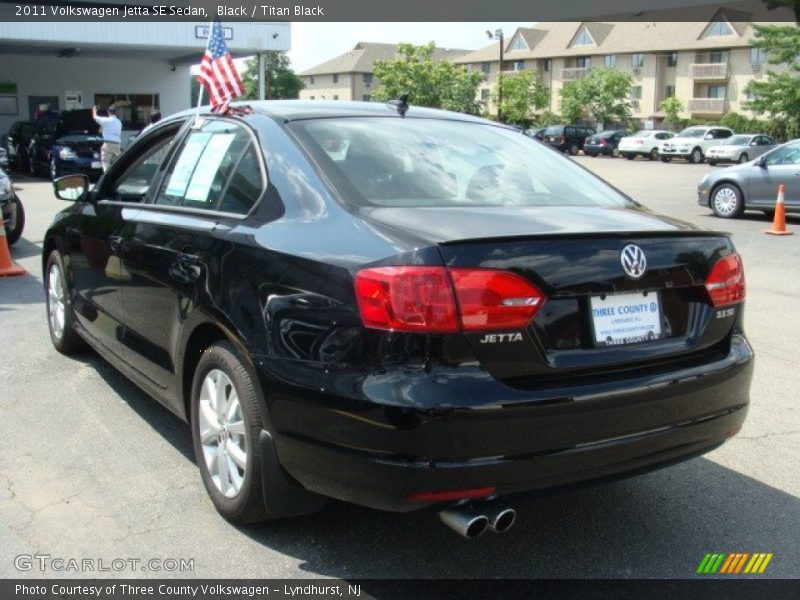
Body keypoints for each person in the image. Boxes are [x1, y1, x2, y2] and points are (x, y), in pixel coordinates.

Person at [92, 105, 122, 172]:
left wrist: (94, 110)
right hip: (117, 145)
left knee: (105, 163)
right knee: (118, 164)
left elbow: (94, 117)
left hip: (108, 144)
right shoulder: (119, 122)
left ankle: (107, 179)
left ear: (108, 112)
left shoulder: (106, 120)